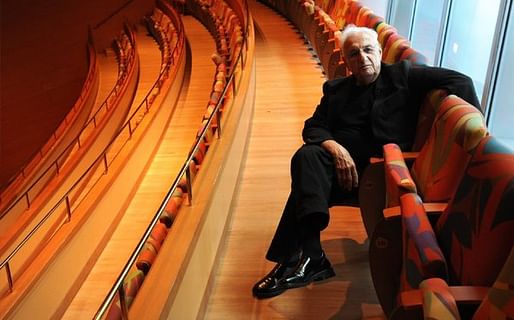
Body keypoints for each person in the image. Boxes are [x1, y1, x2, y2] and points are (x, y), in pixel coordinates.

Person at [252, 24, 480, 299]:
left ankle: (301, 259)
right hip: (340, 172)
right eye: (354, 54)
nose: (363, 58)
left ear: (381, 52)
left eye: (368, 50)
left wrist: (472, 139)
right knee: (307, 157)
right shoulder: (336, 90)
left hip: (379, 174)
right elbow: (313, 127)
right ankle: (310, 255)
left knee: (305, 183)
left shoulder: (404, 76)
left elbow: (461, 81)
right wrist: (335, 148)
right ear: (346, 61)